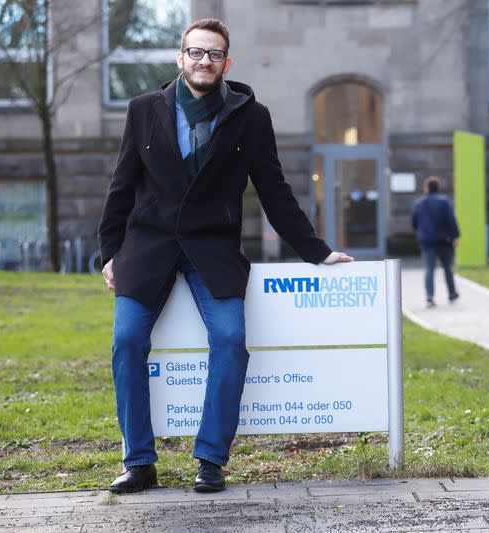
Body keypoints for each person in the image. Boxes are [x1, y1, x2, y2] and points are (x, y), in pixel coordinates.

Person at [97, 18, 353, 495]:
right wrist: (109, 252)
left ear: (226, 63)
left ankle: (211, 459)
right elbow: (121, 186)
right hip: (147, 246)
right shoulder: (144, 110)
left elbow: (274, 191)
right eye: (195, 52)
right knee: (126, 341)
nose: (204, 61)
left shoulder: (250, 116)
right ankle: (139, 461)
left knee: (232, 340)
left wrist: (316, 252)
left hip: (212, 248)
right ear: (180, 58)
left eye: (213, 54)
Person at [411, 176, 460, 307]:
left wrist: (420, 233)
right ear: (438, 188)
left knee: (429, 269)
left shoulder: (419, 204)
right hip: (444, 241)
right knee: (448, 268)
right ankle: (452, 293)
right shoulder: (444, 202)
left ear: (426, 188)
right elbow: (451, 220)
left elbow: (414, 223)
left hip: (427, 241)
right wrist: (455, 236)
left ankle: (429, 297)